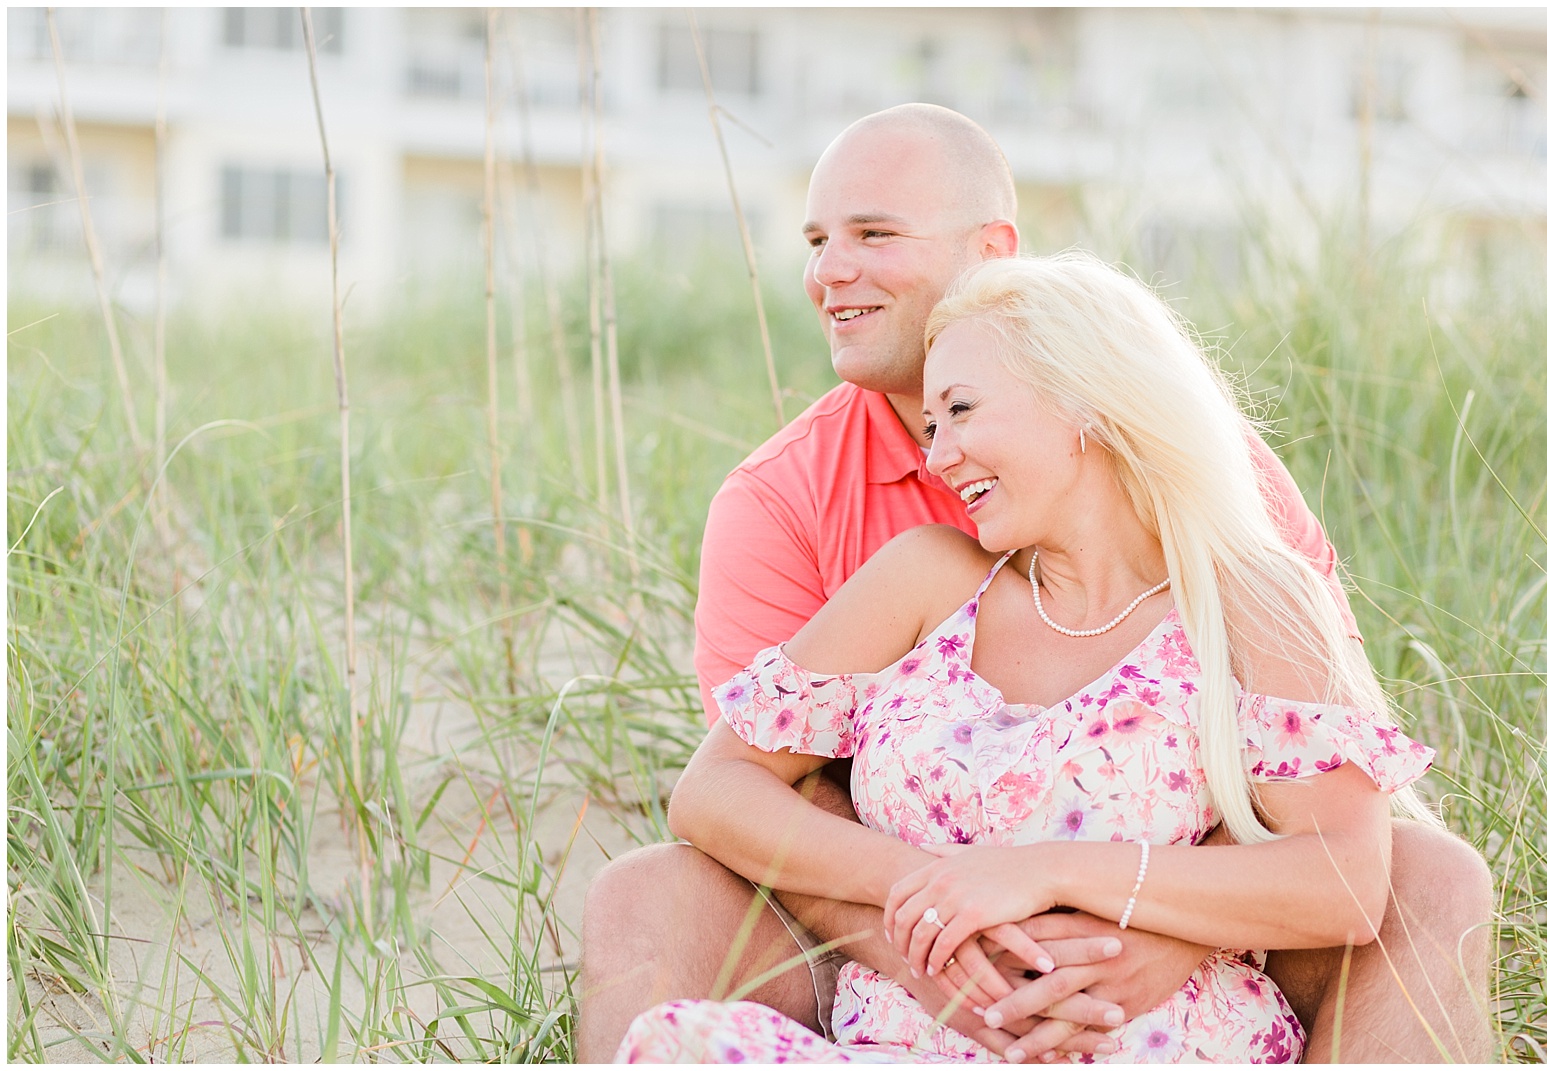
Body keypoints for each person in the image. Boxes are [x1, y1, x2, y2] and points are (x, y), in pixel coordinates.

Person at [577, 104, 1493, 1064]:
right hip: (878, 941)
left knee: (1432, 876)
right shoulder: (809, 513)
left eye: (873, 234)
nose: (827, 271)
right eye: (816, 241)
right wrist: (938, 930)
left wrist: (1147, 930)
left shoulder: (1227, 517)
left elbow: (1317, 806)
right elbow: (759, 792)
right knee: (647, 893)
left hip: (1184, 950)